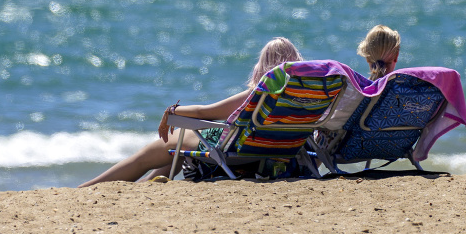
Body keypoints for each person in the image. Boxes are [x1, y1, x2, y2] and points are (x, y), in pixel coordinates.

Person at [78, 37, 303, 186]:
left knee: (161, 147)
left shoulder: (259, 94)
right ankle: (153, 181)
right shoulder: (303, 99)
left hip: (238, 153)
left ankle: (87, 187)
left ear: (263, 66)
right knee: (178, 142)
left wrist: (172, 111)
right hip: (274, 153)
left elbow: (206, 112)